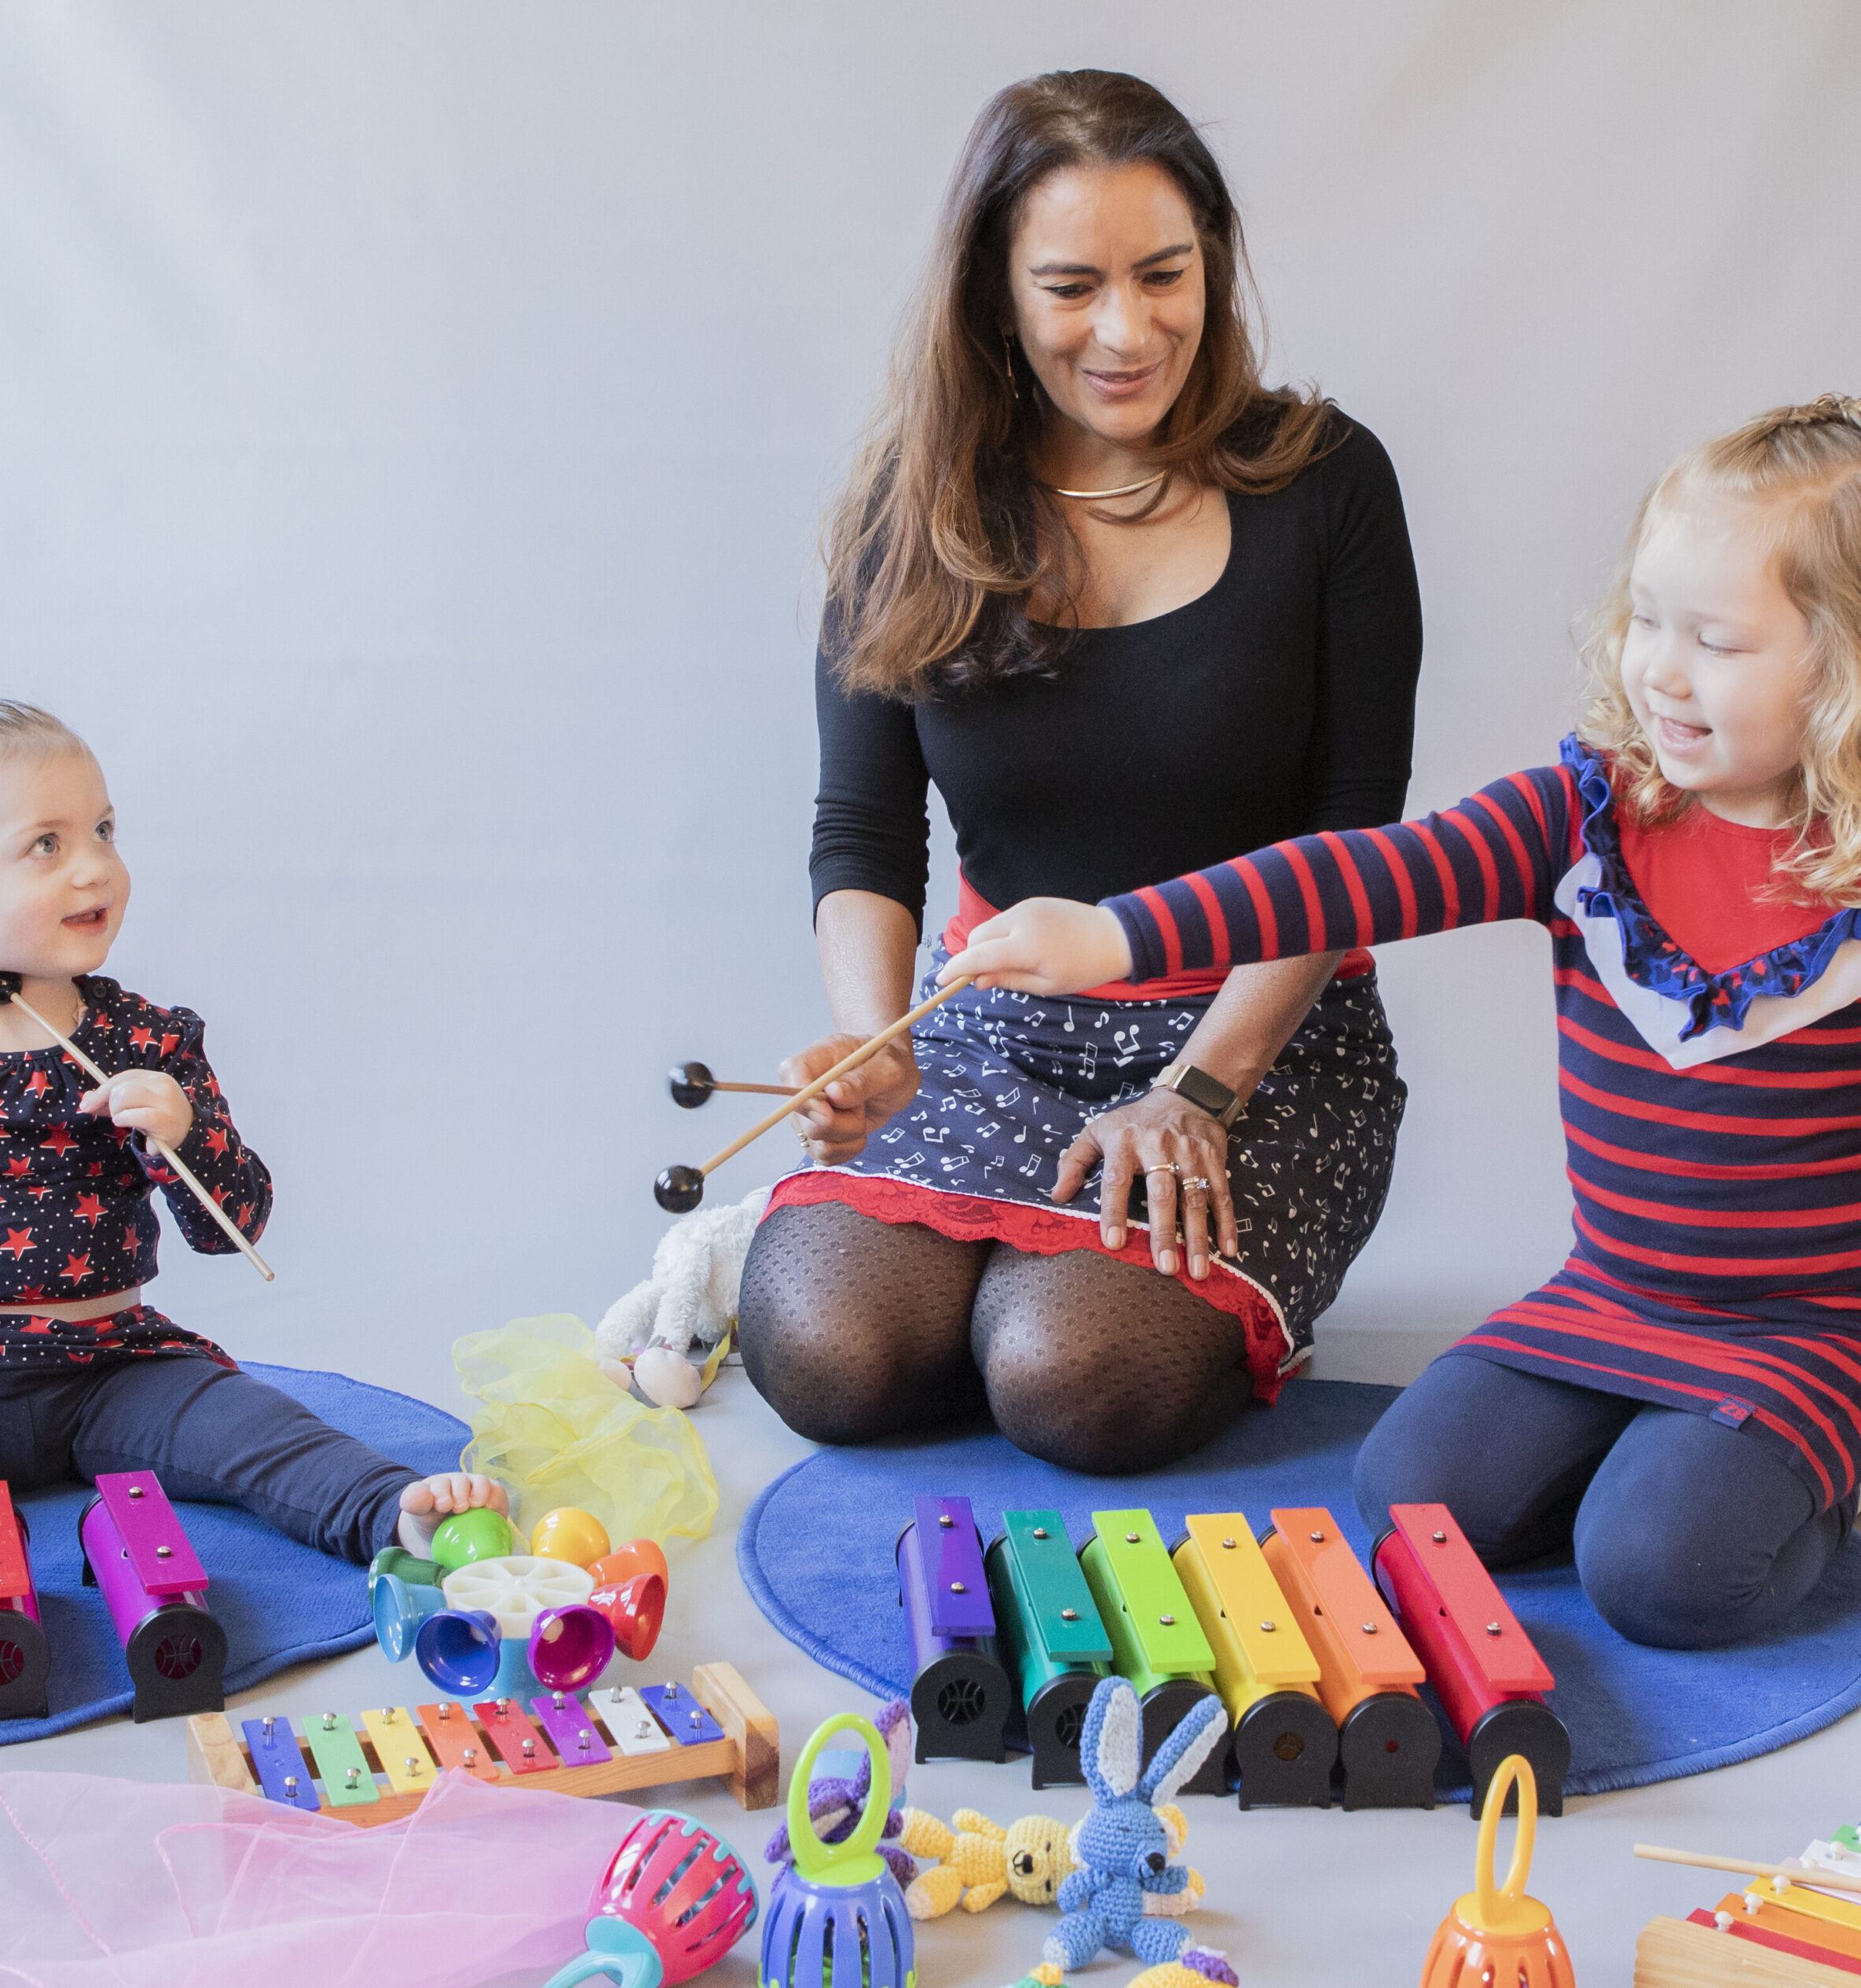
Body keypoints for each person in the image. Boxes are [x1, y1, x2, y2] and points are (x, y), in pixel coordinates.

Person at [943, 396, 1861, 1649]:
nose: (1660, 668)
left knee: (1662, 1572)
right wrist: (1115, 933)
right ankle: (1678, 1458)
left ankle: (1784, 1480)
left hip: (1805, 1330)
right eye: (1649, 619)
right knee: (1406, 1494)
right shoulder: (1584, 818)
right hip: (1612, 1294)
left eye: (1718, 640)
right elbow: (1358, 874)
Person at [738, 69, 1423, 1473]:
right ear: (994, 296)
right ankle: (994, 1271)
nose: (1129, 328)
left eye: (1165, 274)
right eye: (1072, 286)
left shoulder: (1329, 482)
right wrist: (884, 1051)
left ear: (1213, 267)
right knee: (825, 1351)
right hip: (993, 1034)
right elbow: (863, 833)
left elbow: (1359, 842)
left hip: (1254, 1047)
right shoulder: (907, 511)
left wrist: (1201, 1093)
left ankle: (1035, 1295)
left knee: (1072, 1379)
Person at [0, 695, 504, 1579]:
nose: (96, 868)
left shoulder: (147, 1039)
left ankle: (389, 1510)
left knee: (255, 1428)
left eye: (104, 830)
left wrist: (185, 1135)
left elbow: (236, 1222)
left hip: (111, 1370)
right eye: (47, 844)